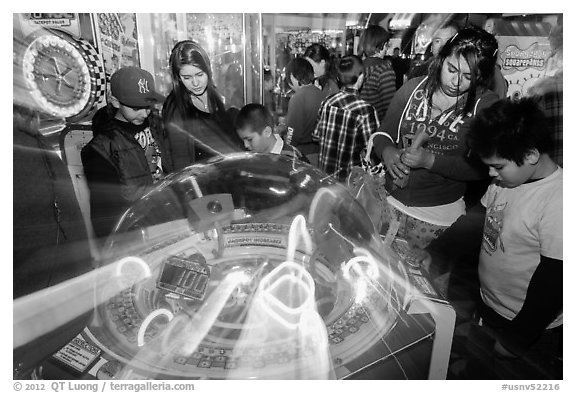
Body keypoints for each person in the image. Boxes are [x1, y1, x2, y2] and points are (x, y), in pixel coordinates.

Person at [460, 98, 562, 379]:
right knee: (476, 372)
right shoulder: (504, 182)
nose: (490, 173)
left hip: (527, 328)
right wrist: (436, 249)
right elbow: (475, 222)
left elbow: (554, 280)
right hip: (487, 306)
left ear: (530, 155)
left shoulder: (558, 200)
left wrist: (516, 340)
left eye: (498, 166)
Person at [372, 27, 500, 250]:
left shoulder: (485, 105)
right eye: (451, 69)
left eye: (468, 76)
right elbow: (383, 133)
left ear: (480, 76)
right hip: (388, 204)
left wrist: (430, 161)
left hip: (438, 216)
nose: (456, 82)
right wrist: (387, 152)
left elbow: (481, 168)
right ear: (441, 59)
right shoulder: (413, 89)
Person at [81, 66, 168, 239]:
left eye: (148, 105)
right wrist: (112, 247)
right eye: (136, 108)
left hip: (166, 219)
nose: (145, 113)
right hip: (133, 233)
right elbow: (104, 210)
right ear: (115, 101)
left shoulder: (157, 125)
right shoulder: (101, 148)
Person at [162, 40, 243, 169]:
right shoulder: (175, 107)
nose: (195, 83)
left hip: (227, 174)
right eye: (187, 78)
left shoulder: (218, 95)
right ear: (178, 78)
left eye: (199, 74)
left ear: (208, 70)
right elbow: (180, 161)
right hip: (199, 182)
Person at [312, 55, 379, 182]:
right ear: (360, 77)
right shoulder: (366, 110)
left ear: (339, 77)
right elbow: (371, 151)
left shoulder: (327, 102)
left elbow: (316, 136)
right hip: (350, 182)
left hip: (325, 177)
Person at [284, 57, 324, 165]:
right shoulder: (322, 94)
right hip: (321, 152)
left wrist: (286, 149)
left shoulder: (298, 98)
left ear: (292, 77)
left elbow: (292, 132)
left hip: (303, 154)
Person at [236, 103, 307, 161]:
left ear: (267, 132)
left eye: (249, 140)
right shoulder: (248, 156)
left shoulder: (293, 158)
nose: (246, 145)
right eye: (242, 140)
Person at [357, 25, 397, 124]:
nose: (387, 49)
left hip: (358, 124)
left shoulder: (358, 66)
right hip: (376, 125)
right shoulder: (384, 70)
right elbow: (390, 108)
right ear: (382, 45)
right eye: (387, 45)